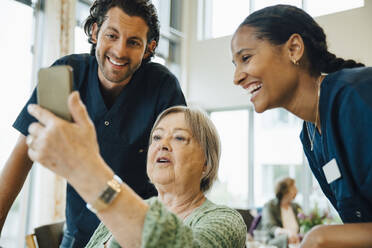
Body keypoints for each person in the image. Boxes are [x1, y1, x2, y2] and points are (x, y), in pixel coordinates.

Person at [0, 0, 186, 247]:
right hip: (78, 235)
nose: (119, 51)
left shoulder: (163, 87)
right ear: (95, 32)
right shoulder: (68, 72)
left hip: (134, 234)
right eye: (112, 35)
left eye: (133, 42)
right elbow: (22, 155)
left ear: (149, 48)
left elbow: (180, 172)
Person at [231, 4, 372, 248]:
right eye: (235, 65)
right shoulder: (309, 136)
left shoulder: (354, 96)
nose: (237, 78)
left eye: (246, 58)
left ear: (294, 49)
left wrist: (320, 237)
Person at [25, 99, 247, 247]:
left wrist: (86, 170)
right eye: (157, 137)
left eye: (179, 137)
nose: (163, 145)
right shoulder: (129, 209)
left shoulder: (226, 221)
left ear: (206, 164)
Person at [262, 177, 301, 248]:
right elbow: (270, 227)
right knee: (287, 239)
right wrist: (288, 233)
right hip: (278, 240)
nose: (296, 190)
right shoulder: (270, 206)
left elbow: (303, 225)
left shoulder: (296, 207)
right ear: (285, 191)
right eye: (293, 187)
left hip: (297, 241)